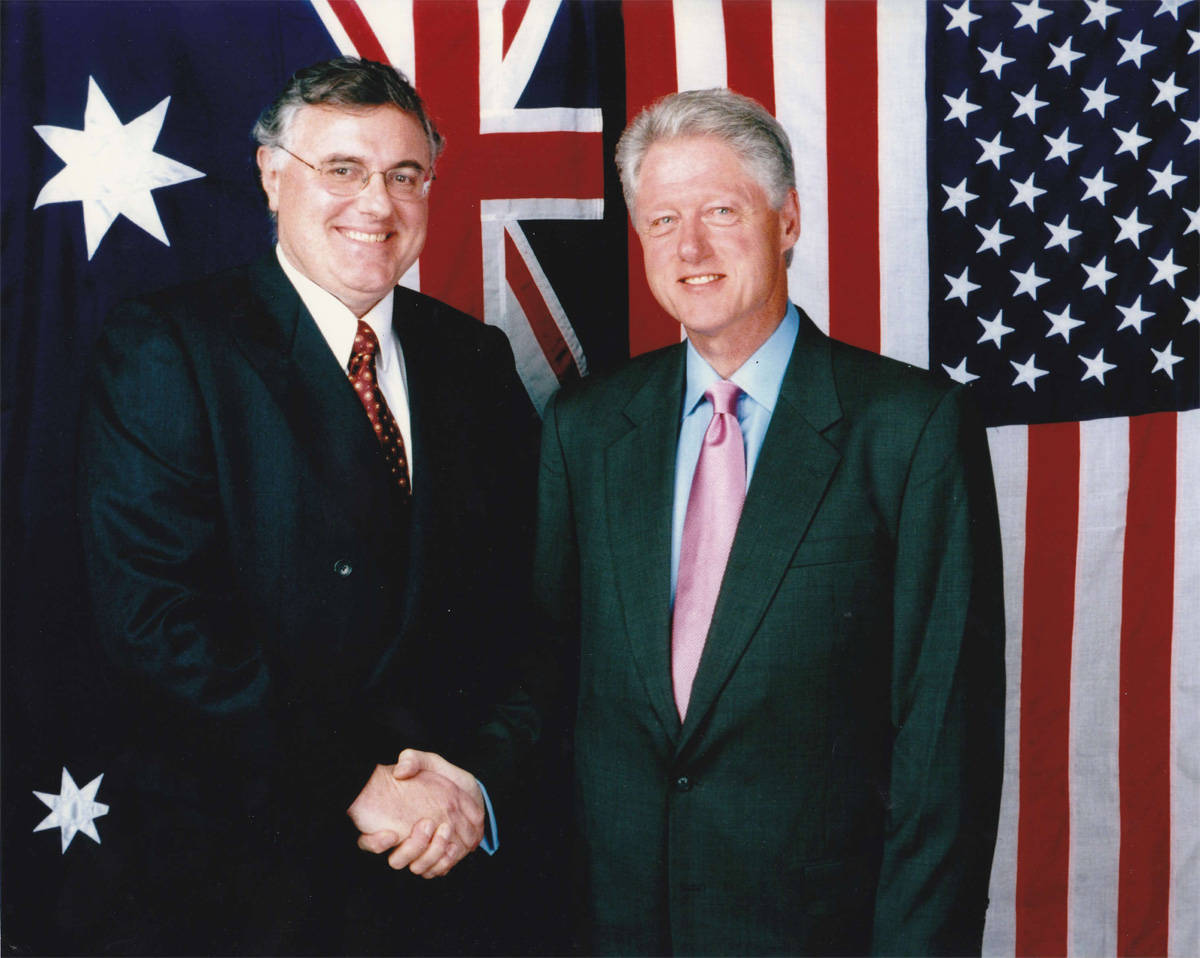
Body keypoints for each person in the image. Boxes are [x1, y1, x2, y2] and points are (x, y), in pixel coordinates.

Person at [76, 57, 544, 955]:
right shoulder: (171, 346)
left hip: (447, 861)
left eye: (405, 175)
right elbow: (156, 623)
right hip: (253, 874)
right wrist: (354, 782)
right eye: (343, 169)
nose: (377, 203)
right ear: (271, 174)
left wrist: (475, 786)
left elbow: (538, 604)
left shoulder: (473, 361)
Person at [534, 88, 1005, 956]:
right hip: (617, 926)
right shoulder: (587, 428)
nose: (692, 247)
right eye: (664, 218)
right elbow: (549, 690)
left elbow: (946, 752)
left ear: (787, 221)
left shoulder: (907, 428)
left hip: (817, 930)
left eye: (721, 210)